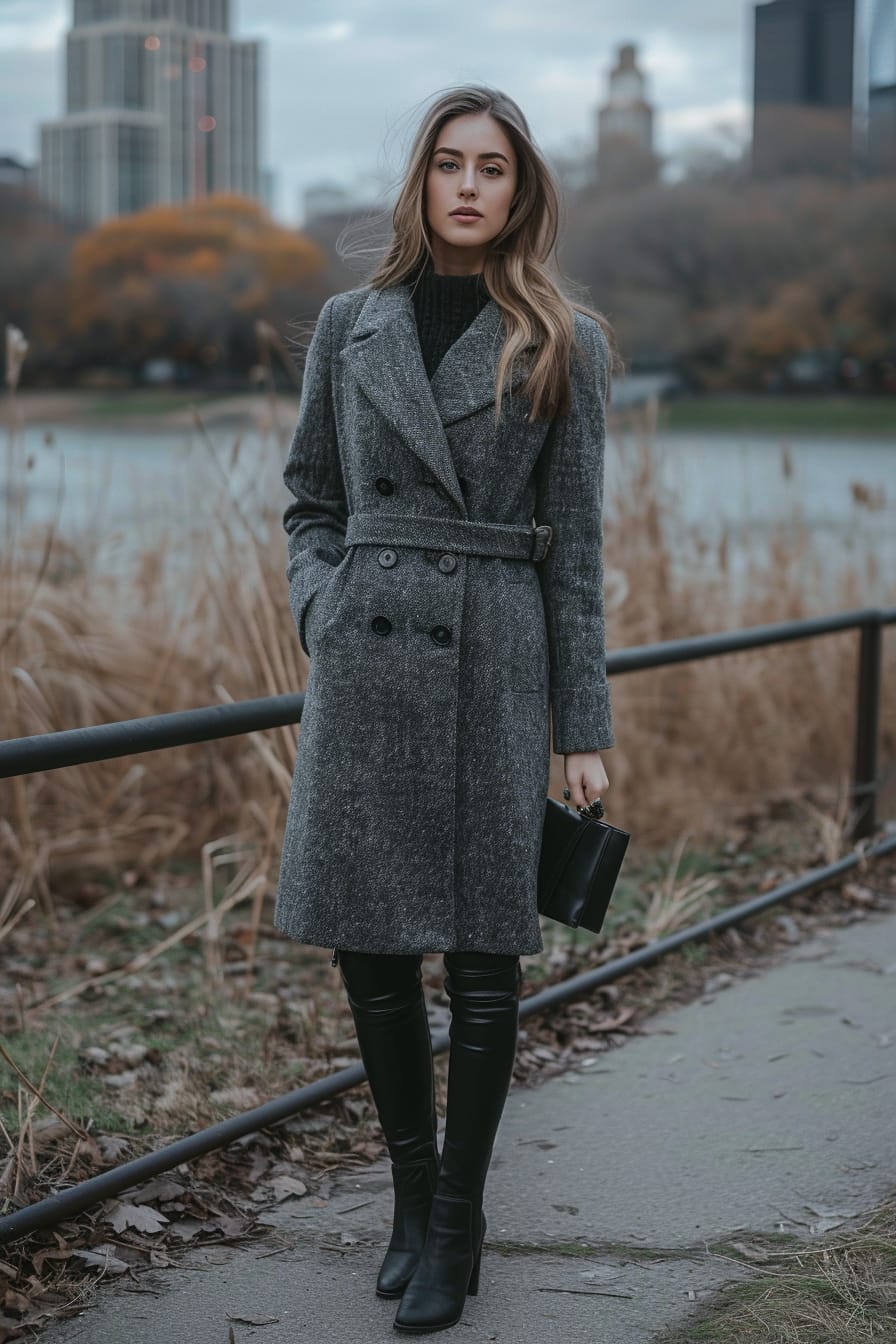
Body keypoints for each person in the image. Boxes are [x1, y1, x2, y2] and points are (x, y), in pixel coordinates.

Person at [275, 84, 617, 1334]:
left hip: (492, 658)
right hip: (366, 663)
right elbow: (308, 499)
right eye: (448, 164)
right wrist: (325, 606)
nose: (469, 186)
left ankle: (460, 1225)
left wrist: (582, 726)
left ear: (521, 194)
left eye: (494, 170)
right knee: (372, 957)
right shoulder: (345, 325)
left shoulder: (557, 337)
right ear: (419, 183)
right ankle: (411, 1204)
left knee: (480, 961)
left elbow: (573, 552)